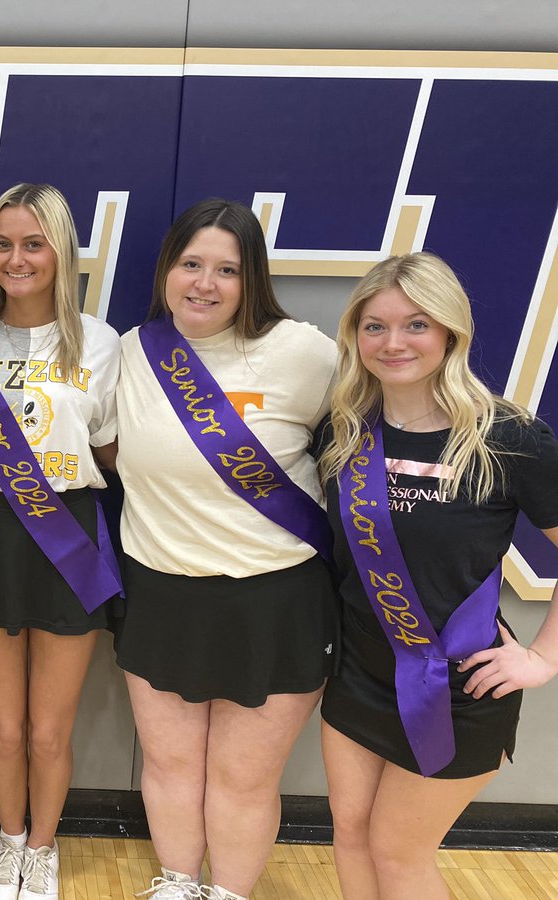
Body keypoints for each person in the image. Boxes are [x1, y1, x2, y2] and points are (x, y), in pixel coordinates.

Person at [113, 199, 338, 900]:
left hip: (274, 598)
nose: (204, 284)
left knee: (245, 780)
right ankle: (178, 884)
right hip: (161, 591)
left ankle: (230, 894)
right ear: (166, 271)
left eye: (227, 270)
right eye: (191, 265)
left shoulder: (306, 352)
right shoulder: (132, 351)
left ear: (253, 280)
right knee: (171, 766)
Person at [315, 252, 558, 900]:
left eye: (416, 324)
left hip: (458, 687)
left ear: (451, 332)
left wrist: (542, 656)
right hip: (361, 674)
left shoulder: (507, 437)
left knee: (398, 853)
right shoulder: (342, 434)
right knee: (351, 832)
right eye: (375, 326)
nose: (393, 343)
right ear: (355, 335)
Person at [0, 183, 121, 900]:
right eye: (3, 245)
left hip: (68, 531)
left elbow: (108, 451)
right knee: (5, 727)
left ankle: (44, 848)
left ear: (61, 252)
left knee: (49, 730)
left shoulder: (100, 343)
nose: (17, 259)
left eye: (33, 244)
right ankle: (9, 840)